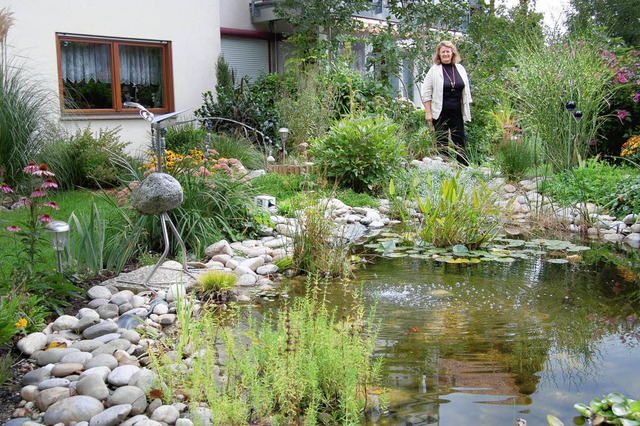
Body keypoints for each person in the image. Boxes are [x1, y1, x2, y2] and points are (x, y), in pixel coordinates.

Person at [421, 40, 472, 166]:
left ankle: (462, 167)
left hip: (457, 110)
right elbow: (426, 92)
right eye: (443, 52)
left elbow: (465, 91)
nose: (445, 54)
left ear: (452, 53)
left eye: (448, 52)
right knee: (441, 141)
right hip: (440, 111)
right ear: (439, 54)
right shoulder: (434, 70)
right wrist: (428, 112)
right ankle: (443, 168)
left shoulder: (460, 69)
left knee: (459, 139)